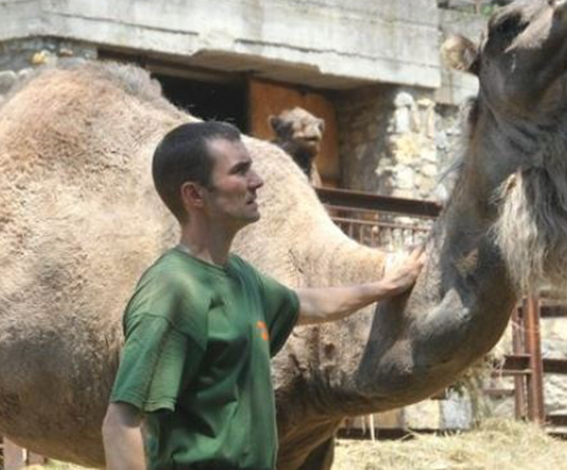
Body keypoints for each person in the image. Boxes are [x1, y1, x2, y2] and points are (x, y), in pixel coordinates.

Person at [101, 121, 425, 470]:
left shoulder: (239, 276)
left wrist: (383, 287)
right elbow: (121, 422)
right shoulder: (172, 292)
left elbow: (305, 303)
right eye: (240, 172)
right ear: (195, 195)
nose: (257, 181)